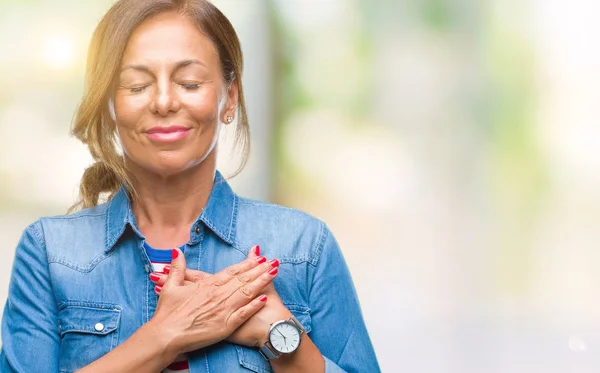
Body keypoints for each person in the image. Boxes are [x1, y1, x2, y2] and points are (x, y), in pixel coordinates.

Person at [0, 1, 380, 372]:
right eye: (136, 86)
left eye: (189, 82)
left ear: (229, 97)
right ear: (108, 105)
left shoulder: (303, 247)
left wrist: (280, 337)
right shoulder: (49, 253)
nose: (164, 101)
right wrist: (166, 335)